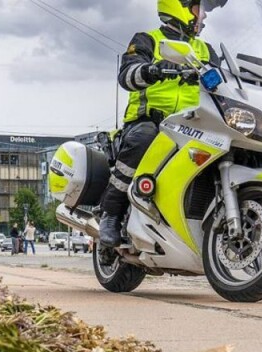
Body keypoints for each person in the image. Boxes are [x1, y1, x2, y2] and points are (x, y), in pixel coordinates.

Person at [98, 0, 221, 248]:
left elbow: (224, 84)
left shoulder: (206, 50)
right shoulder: (147, 40)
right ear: (181, 7)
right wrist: (153, 70)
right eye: (200, 9)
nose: (204, 16)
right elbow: (127, 76)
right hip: (151, 121)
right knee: (145, 137)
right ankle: (110, 213)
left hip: (194, 125)